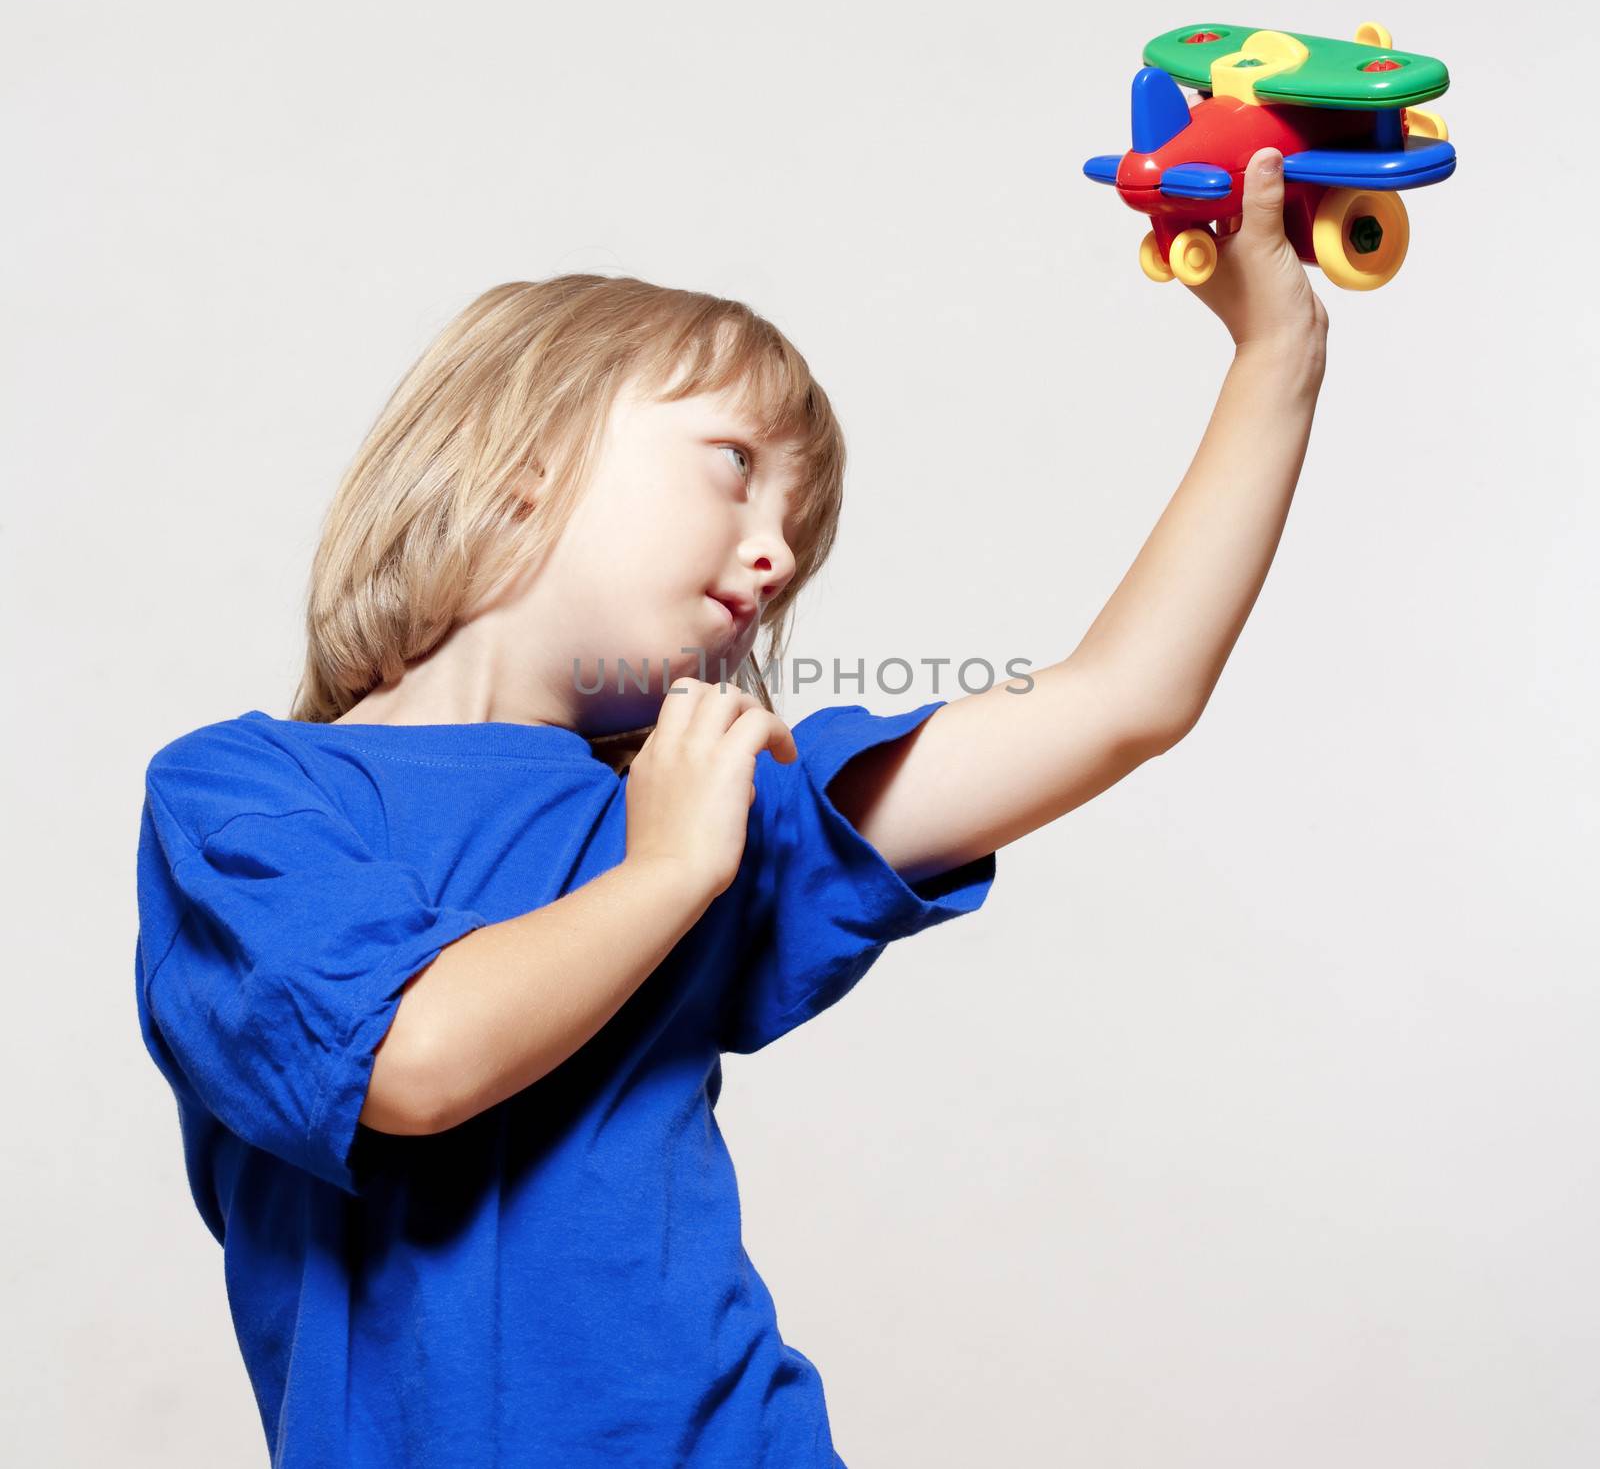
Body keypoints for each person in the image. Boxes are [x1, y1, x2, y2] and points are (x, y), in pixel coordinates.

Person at [134, 147, 1326, 1466]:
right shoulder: (244, 794)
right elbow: (411, 1065)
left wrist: (1278, 356)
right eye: (733, 464)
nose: (774, 555)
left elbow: (1122, 702)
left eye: (799, 536)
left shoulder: (707, 802)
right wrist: (662, 875)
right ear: (524, 456)